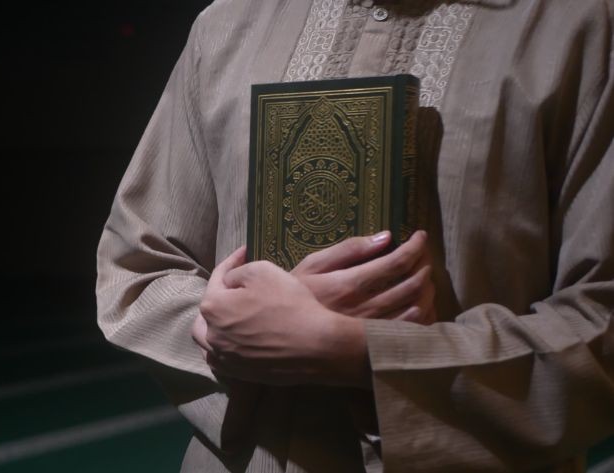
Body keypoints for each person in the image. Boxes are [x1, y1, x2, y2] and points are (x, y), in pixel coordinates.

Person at [96, 0, 614, 471]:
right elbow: (138, 263)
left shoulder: (581, 25)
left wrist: (359, 352)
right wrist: (220, 328)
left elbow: (601, 317)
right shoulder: (227, 23)